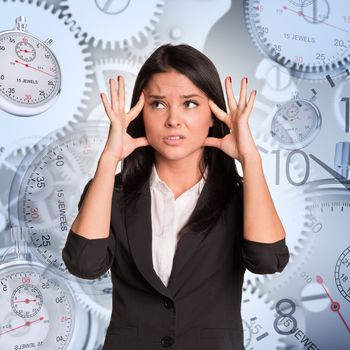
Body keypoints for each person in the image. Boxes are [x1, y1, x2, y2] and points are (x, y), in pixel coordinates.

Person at [62, 43, 290, 350]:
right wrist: (108, 160)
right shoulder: (111, 193)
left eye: (190, 104)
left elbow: (267, 261)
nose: (173, 120)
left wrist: (250, 160)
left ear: (213, 114)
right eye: (157, 104)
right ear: (141, 114)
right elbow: (84, 264)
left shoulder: (240, 197)